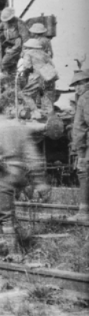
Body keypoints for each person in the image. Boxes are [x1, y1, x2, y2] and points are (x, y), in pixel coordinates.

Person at [0, 95, 48, 254]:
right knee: (3, 209)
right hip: (20, 174)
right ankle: (15, 239)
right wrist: (39, 181)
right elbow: (32, 155)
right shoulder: (18, 126)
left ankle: (14, 253)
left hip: (4, 174)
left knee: (4, 214)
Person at [18, 38, 59, 119]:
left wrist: (23, 72)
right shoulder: (44, 53)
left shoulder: (28, 53)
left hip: (37, 77)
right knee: (45, 95)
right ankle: (50, 115)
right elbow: (52, 65)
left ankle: (35, 112)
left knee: (25, 94)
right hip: (49, 76)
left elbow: (27, 67)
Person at [69, 70, 89, 222]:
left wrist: (81, 153)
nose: (76, 88)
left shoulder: (85, 98)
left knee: (83, 173)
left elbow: (81, 128)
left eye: (78, 84)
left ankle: (83, 213)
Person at [0, 7, 30, 85]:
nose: (6, 22)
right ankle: (11, 84)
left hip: (16, 47)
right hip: (7, 46)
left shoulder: (19, 23)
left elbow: (25, 38)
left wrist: (24, 52)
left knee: (3, 63)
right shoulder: (4, 22)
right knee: (11, 68)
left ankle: (6, 80)